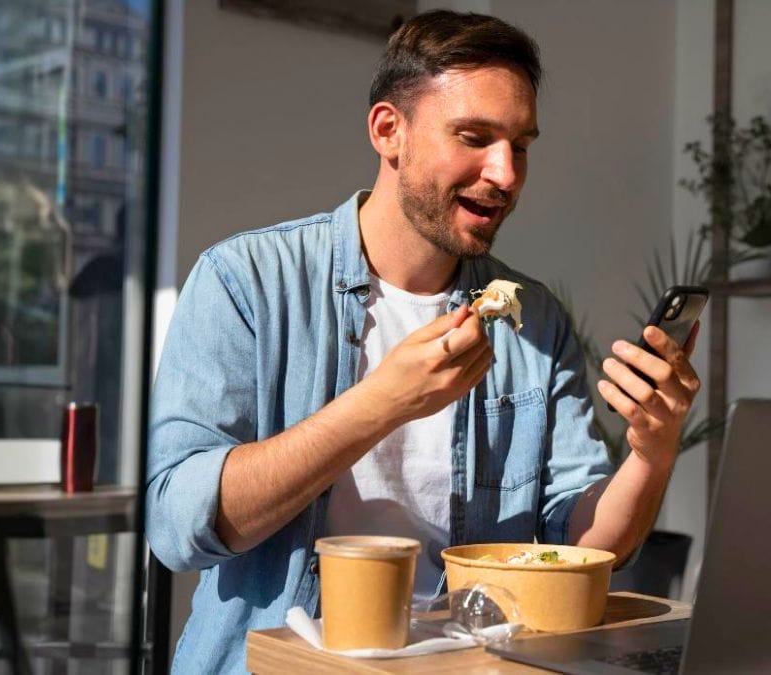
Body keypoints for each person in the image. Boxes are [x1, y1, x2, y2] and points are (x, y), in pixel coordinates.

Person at [146, 10, 700, 673]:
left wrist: (652, 452)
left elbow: (577, 546)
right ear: (390, 131)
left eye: (520, 145)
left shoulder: (535, 322)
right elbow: (179, 525)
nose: (506, 174)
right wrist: (380, 403)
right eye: (475, 136)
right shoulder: (246, 282)